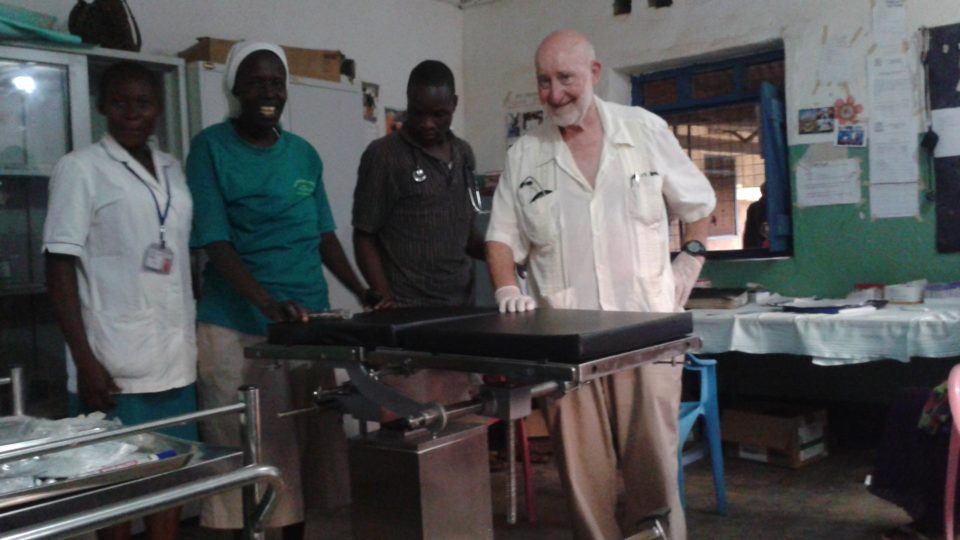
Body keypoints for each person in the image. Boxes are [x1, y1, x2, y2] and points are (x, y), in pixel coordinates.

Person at [484, 30, 716, 540]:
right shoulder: (525, 155)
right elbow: (500, 240)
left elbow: (699, 208)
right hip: (567, 348)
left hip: (647, 336)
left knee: (653, 476)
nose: (555, 93)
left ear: (593, 73)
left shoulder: (644, 131)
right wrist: (506, 289)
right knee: (584, 486)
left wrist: (687, 265)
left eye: (566, 78)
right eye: (543, 81)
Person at [186, 41, 375, 539]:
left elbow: (323, 236)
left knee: (305, 448)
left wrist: (363, 290)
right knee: (242, 457)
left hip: (307, 327)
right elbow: (214, 239)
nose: (268, 92)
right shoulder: (210, 148)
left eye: (276, 82)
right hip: (237, 329)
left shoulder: (303, 155)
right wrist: (265, 303)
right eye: (256, 82)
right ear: (235, 89)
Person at [44, 60, 195, 540]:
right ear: (102, 107)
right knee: (116, 491)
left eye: (144, 102)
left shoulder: (172, 168)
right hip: (112, 367)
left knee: (169, 479)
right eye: (121, 102)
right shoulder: (80, 168)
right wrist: (85, 362)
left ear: (158, 108)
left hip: (175, 362)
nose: (134, 112)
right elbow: (59, 267)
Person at [352, 60, 482, 405]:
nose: (427, 123)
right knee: (412, 422)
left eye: (438, 114)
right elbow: (364, 234)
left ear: (454, 104)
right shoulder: (384, 156)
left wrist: (509, 256)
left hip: (460, 313)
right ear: (408, 101)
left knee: (462, 415)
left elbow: (468, 236)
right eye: (418, 112)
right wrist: (384, 299)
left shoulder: (464, 155)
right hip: (408, 316)